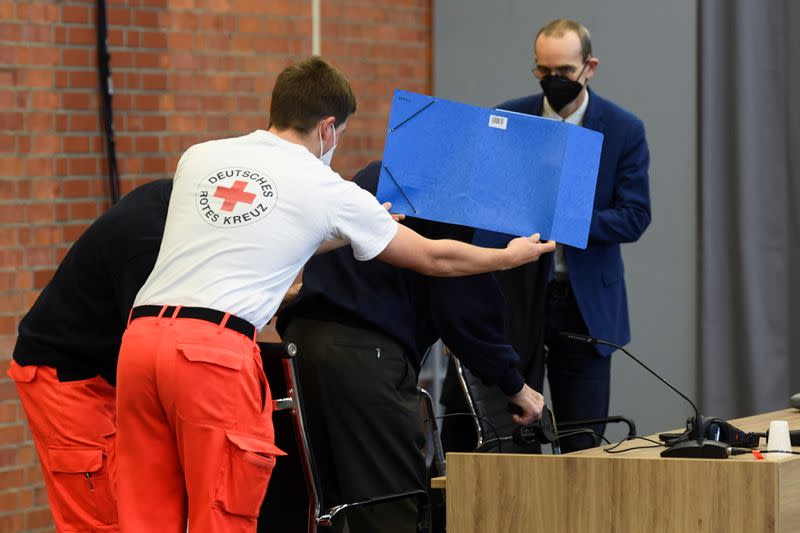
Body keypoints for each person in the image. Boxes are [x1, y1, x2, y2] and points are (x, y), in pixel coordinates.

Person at [114, 56, 555, 533]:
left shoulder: (199, 157)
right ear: (328, 127)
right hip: (212, 355)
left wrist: (356, 231)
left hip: (141, 341)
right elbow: (435, 260)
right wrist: (508, 257)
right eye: (340, 132)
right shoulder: (328, 188)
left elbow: (264, 234)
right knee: (223, 509)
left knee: (147, 512)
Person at [258, 160, 546, 533]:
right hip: (363, 357)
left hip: (299, 348)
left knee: (315, 509)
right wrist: (515, 386)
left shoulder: (373, 175)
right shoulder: (451, 194)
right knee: (389, 509)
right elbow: (462, 307)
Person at [458, 18, 651, 453]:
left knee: (582, 440)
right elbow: (485, 200)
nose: (553, 80)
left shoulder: (623, 129)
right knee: (514, 432)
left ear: (590, 67)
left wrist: (565, 218)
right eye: (543, 71)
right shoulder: (510, 116)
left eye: (564, 71)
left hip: (584, 304)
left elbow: (634, 217)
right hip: (519, 295)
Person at [7, 179, 172, 532]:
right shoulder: (149, 238)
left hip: (105, 372)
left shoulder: (174, 203)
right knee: (102, 518)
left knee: (135, 508)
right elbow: (152, 343)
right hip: (64, 374)